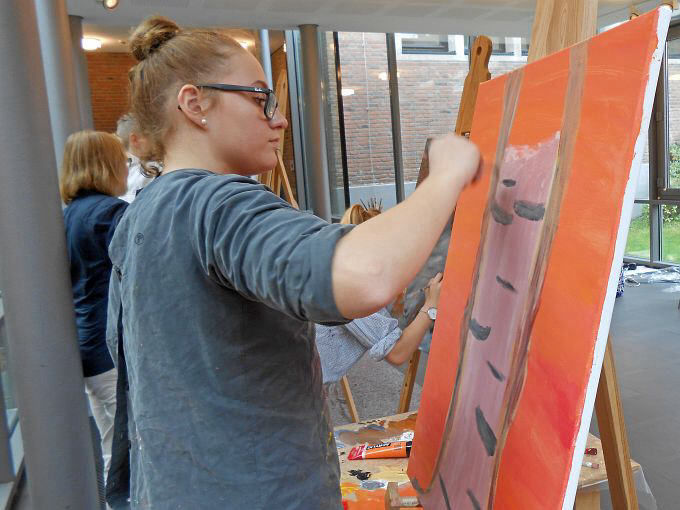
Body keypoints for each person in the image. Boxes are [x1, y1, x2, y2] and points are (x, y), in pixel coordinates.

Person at [106, 15, 481, 510]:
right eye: (261, 98)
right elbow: (364, 277)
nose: (279, 119)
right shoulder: (219, 204)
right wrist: (447, 176)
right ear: (195, 104)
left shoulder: (142, 215)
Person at [60, 130, 129, 483]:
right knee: (134, 449)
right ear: (107, 164)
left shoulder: (69, 215)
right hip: (112, 349)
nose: (127, 167)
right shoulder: (110, 214)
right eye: (122, 160)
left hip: (88, 346)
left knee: (111, 447)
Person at [316, 201, 443, 384]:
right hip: (292, 387)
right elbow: (397, 353)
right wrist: (431, 306)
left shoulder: (342, 270)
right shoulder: (353, 286)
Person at [115, 113, 154, 203]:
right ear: (135, 139)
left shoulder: (113, 170)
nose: (157, 141)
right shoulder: (151, 170)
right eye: (150, 136)